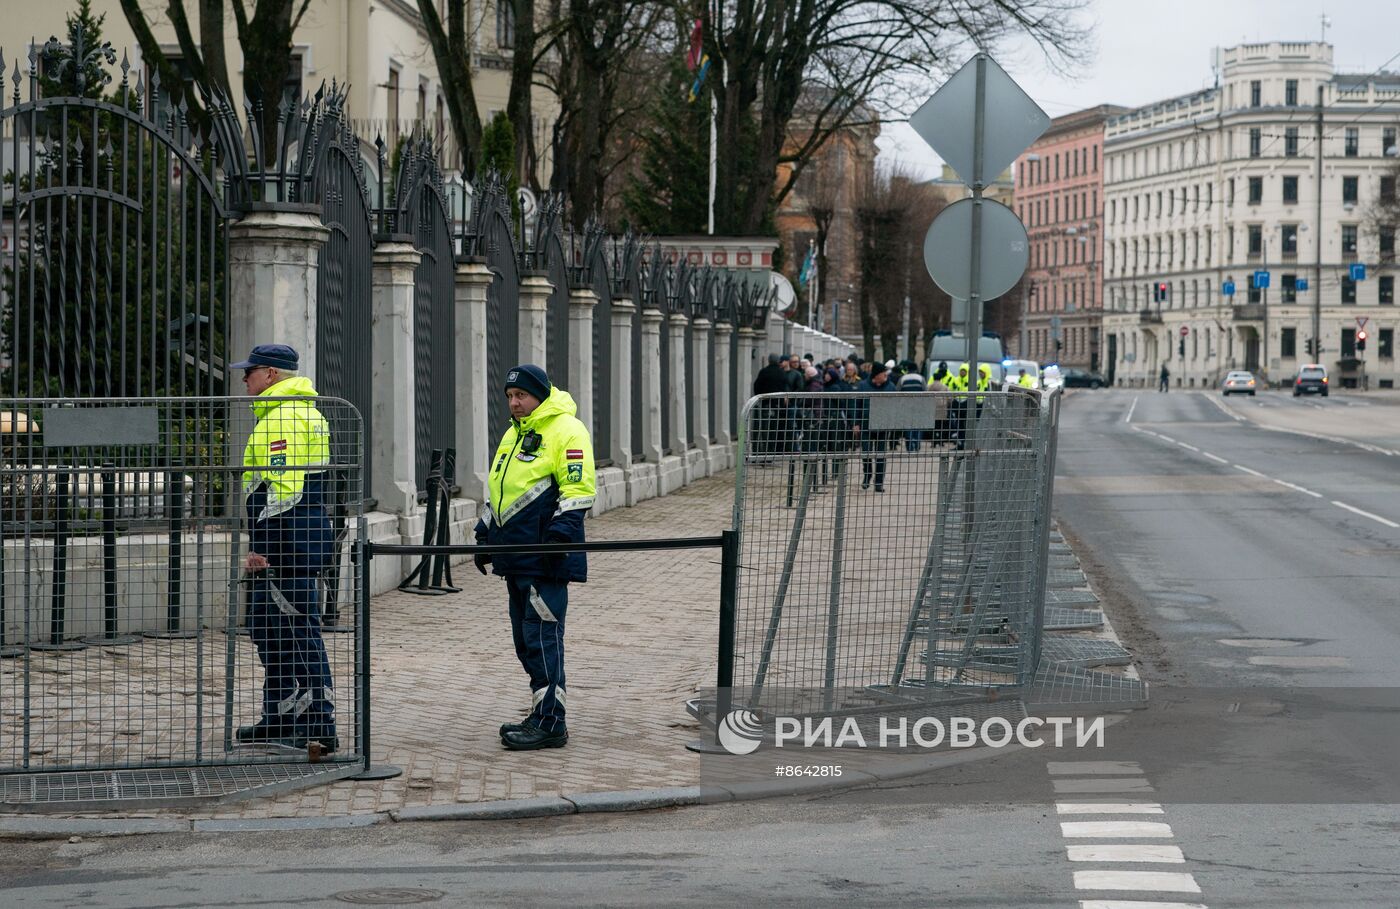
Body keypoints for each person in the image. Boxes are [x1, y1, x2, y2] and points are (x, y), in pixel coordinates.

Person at [474, 364, 596, 751]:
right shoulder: (515, 432)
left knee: (542, 639)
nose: (514, 403)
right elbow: (502, 489)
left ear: (540, 395)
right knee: (525, 641)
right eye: (510, 396)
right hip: (516, 556)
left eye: (521, 395)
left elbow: (579, 489)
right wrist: (485, 532)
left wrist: (558, 538)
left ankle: (550, 723)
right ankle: (542, 713)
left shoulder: (567, 430)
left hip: (545, 559)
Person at [233, 344, 337, 753]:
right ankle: (279, 716)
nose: (245, 378)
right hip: (289, 540)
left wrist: (264, 549)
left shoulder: (286, 416)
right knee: (268, 630)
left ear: (271, 374)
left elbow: (285, 491)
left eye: (251, 370)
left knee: (297, 633)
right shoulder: (283, 412)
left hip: (287, 545)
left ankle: (318, 724)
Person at [855, 361, 896, 491]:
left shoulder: (891, 387)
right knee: (866, 453)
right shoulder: (863, 386)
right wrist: (856, 423)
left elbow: (895, 406)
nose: (886, 376)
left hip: (883, 426)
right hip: (866, 425)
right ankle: (867, 476)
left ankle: (879, 483)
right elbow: (857, 406)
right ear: (877, 375)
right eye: (884, 374)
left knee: (881, 456)